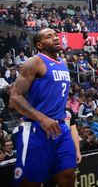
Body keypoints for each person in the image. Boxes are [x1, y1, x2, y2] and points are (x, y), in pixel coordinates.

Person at [9, 28, 79, 186]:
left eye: (55, 35)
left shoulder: (63, 62)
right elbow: (14, 97)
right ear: (39, 44)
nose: (55, 38)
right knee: (29, 181)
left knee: (68, 175)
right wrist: (42, 118)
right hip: (37, 128)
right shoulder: (35, 62)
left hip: (60, 127)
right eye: (49, 37)